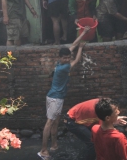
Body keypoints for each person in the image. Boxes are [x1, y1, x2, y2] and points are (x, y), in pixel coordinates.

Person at [38, 27, 89, 160]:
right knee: (49, 122)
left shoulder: (59, 63)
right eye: (65, 57)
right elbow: (76, 61)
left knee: (56, 121)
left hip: (54, 96)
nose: (67, 59)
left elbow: (72, 45)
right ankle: (43, 150)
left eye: (68, 57)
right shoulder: (64, 67)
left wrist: (83, 33)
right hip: (55, 98)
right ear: (60, 58)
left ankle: (54, 145)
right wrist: (81, 49)